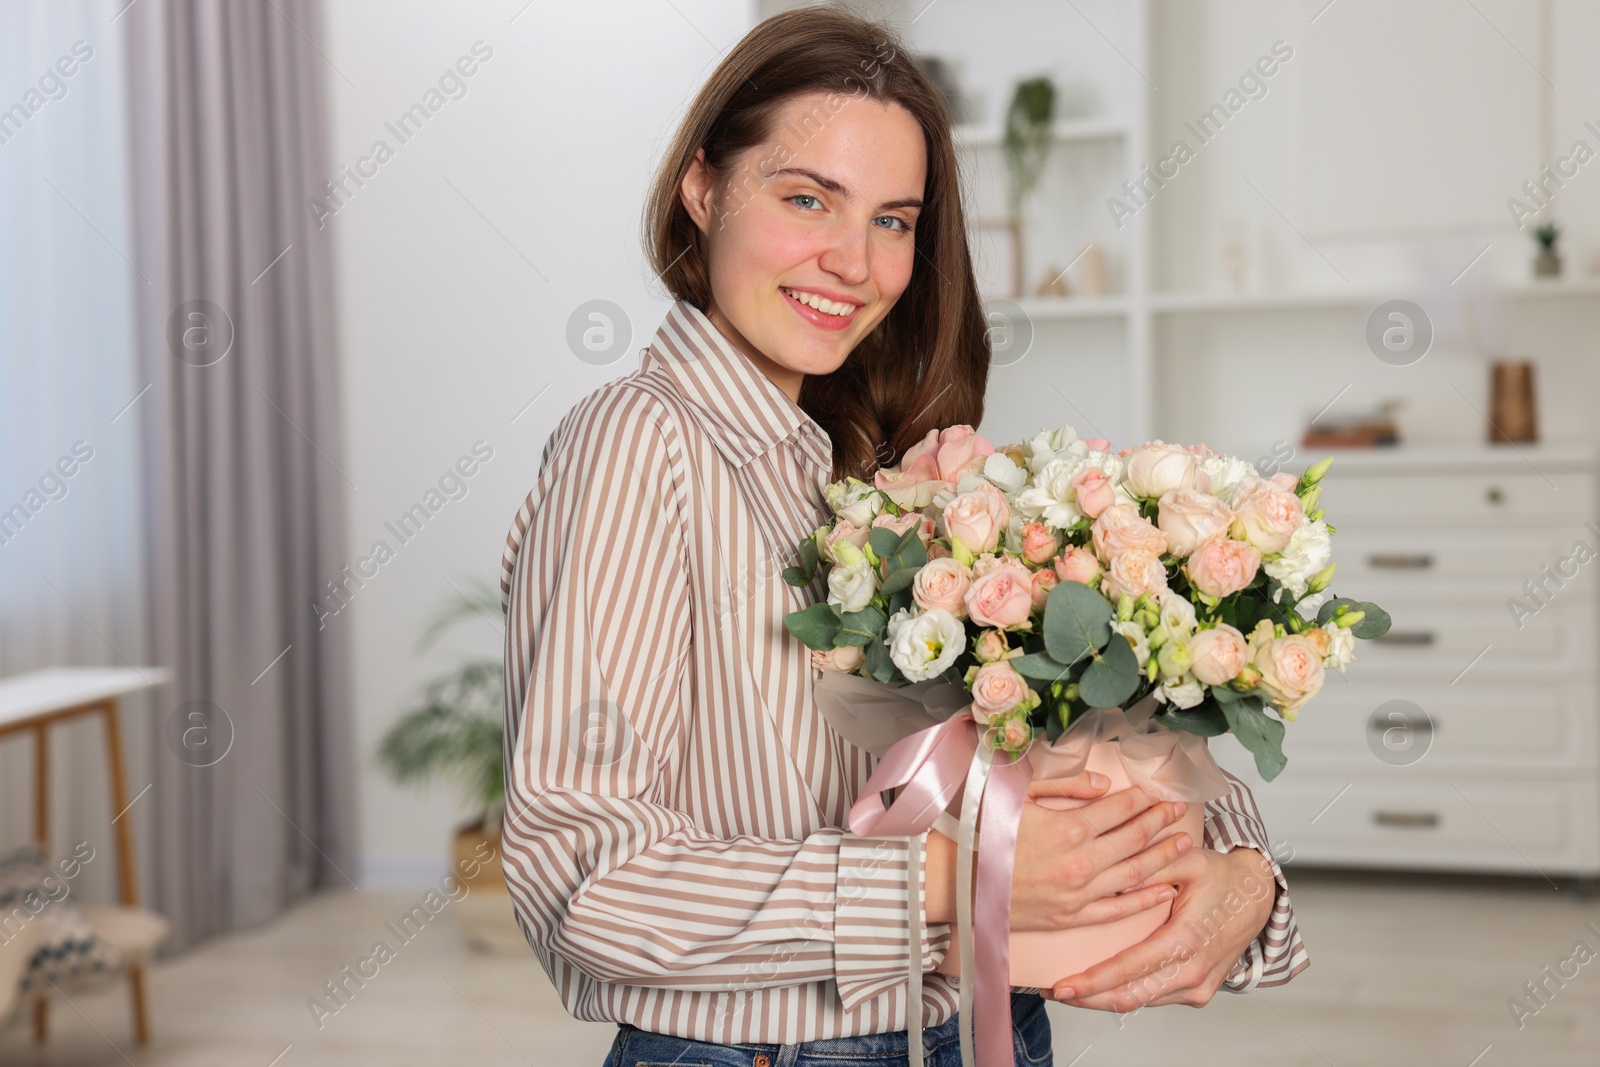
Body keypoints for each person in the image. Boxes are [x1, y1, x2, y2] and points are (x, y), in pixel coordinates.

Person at [498, 7, 1307, 1066]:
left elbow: (1074, 732)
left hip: (980, 1028)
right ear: (703, 188)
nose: (851, 260)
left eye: (892, 220)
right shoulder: (637, 446)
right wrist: (952, 873)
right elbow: (581, 874)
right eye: (805, 199)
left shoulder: (885, 470)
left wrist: (1242, 873)